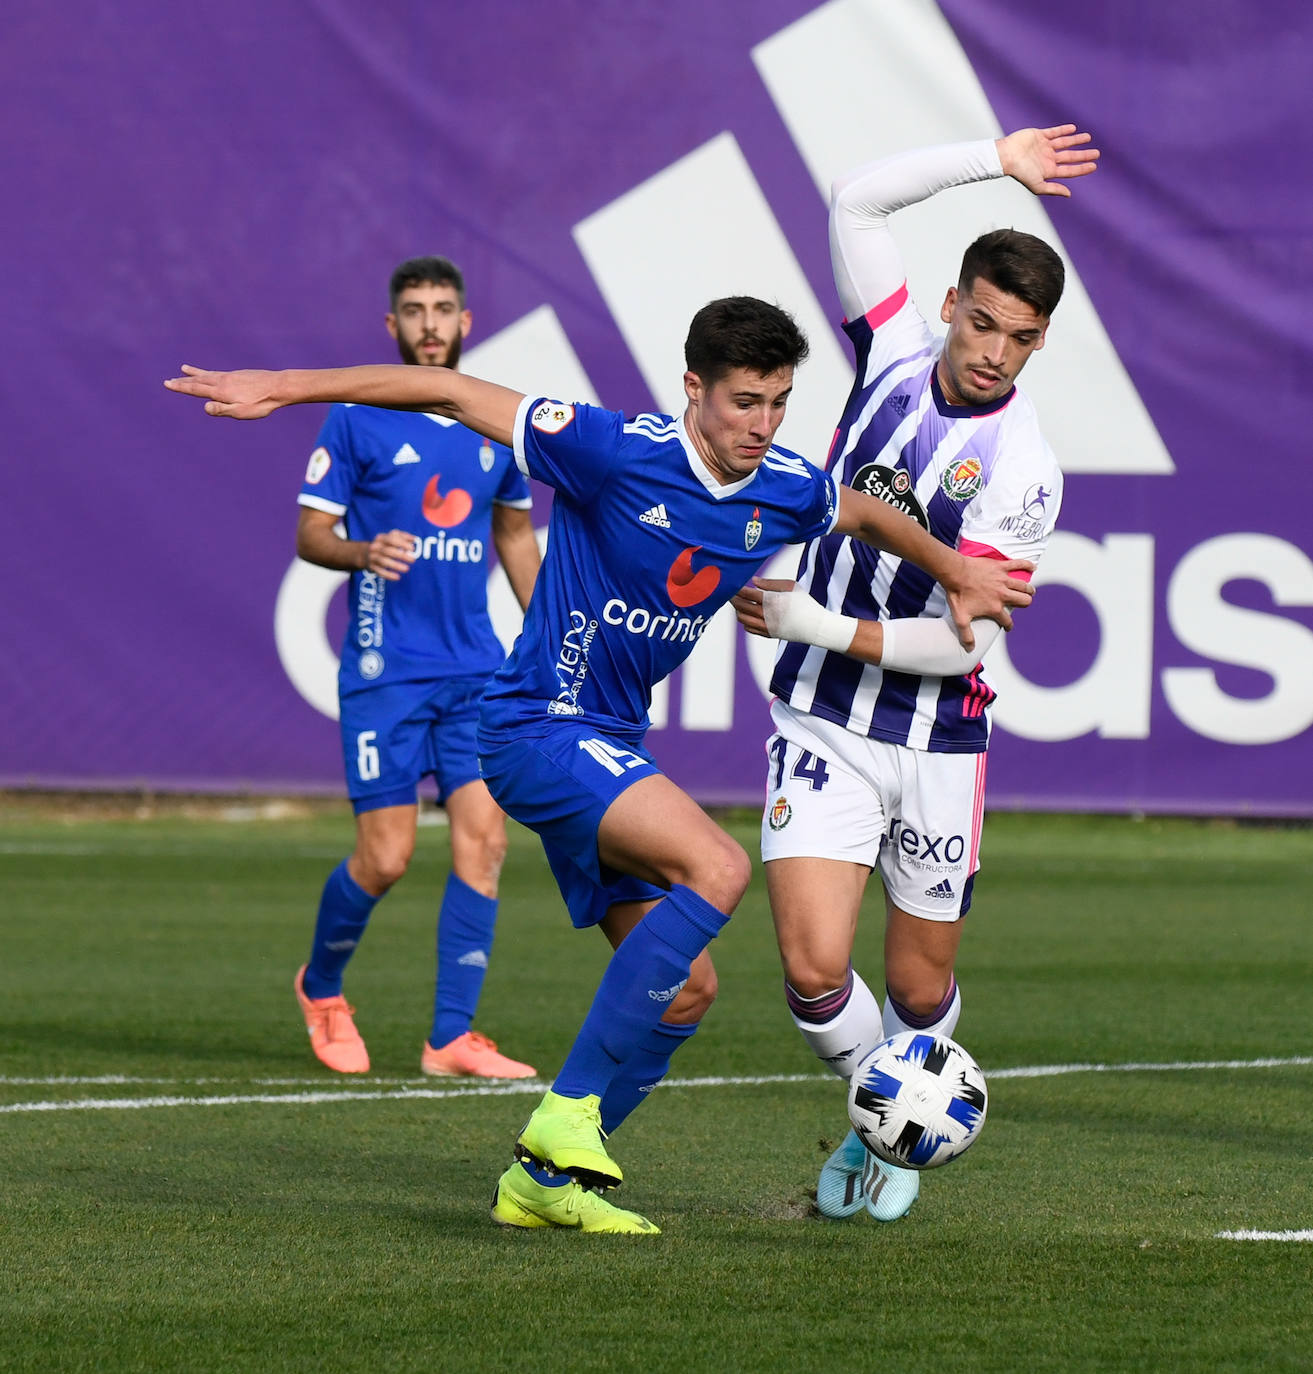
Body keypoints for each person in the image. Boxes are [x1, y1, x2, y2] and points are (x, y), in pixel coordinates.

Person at [165, 293, 1034, 1234]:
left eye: (778, 402)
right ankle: (567, 1114)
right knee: (720, 866)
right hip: (534, 724)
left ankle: (544, 1181)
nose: (762, 424)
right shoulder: (612, 448)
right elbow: (449, 389)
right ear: (693, 390)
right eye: (744, 401)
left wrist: (954, 571)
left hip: (608, 742)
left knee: (689, 991)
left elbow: (860, 510)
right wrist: (282, 386)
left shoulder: (782, 483)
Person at [731, 124, 1098, 1223]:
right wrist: (995, 155)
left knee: (915, 989)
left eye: (1020, 338)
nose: (993, 350)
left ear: (1038, 345)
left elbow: (963, 640)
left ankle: (898, 1110)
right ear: (948, 303)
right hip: (824, 719)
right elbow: (854, 200)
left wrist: (813, 621)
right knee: (808, 967)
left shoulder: (1024, 472)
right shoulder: (887, 348)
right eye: (981, 322)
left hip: (938, 735)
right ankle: (893, 1120)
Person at [291, 256, 541, 1080]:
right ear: (390, 326)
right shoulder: (356, 418)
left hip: (474, 671)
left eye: (443, 309)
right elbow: (310, 536)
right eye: (413, 310)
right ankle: (321, 987)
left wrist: (549, 632)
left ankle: (450, 1038)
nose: (429, 323)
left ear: (466, 323)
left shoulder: (492, 423)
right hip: (385, 670)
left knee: (484, 841)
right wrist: (363, 549)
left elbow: (511, 534)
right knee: (387, 857)